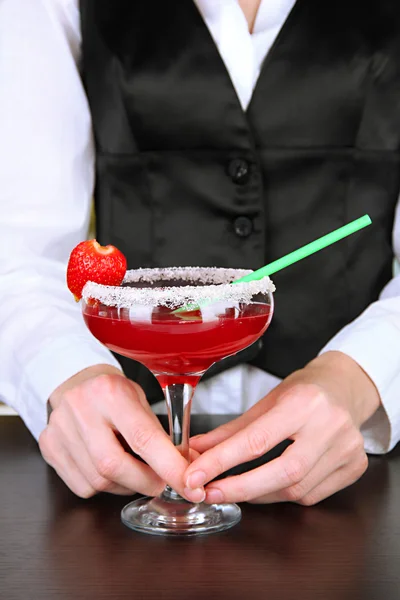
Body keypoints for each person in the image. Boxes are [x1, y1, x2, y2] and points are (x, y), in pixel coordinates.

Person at [1, 0, 400, 507]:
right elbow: (21, 255)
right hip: (113, 471)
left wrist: (355, 378)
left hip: (352, 470)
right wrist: (68, 374)